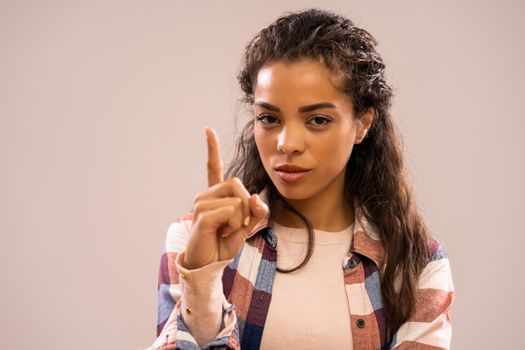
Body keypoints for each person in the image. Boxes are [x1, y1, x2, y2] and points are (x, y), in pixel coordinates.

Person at [147, 8, 454, 350]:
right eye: (269, 118)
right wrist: (203, 280)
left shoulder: (416, 262)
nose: (286, 144)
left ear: (362, 123)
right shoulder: (192, 241)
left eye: (318, 120)